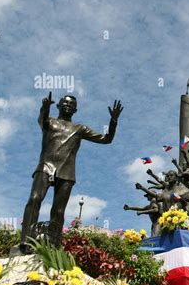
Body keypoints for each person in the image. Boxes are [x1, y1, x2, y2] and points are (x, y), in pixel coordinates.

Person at [20, 92, 123, 252]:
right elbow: (42, 119)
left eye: (71, 105)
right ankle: (25, 241)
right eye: (65, 103)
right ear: (58, 105)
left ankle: (53, 245)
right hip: (46, 166)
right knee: (34, 199)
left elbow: (106, 139)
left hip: (67, 171)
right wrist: (44, 108)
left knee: (58, 210)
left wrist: (113, 121)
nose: (68, 106)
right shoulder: (49, 122)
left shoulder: (79, 128)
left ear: (75, 110)